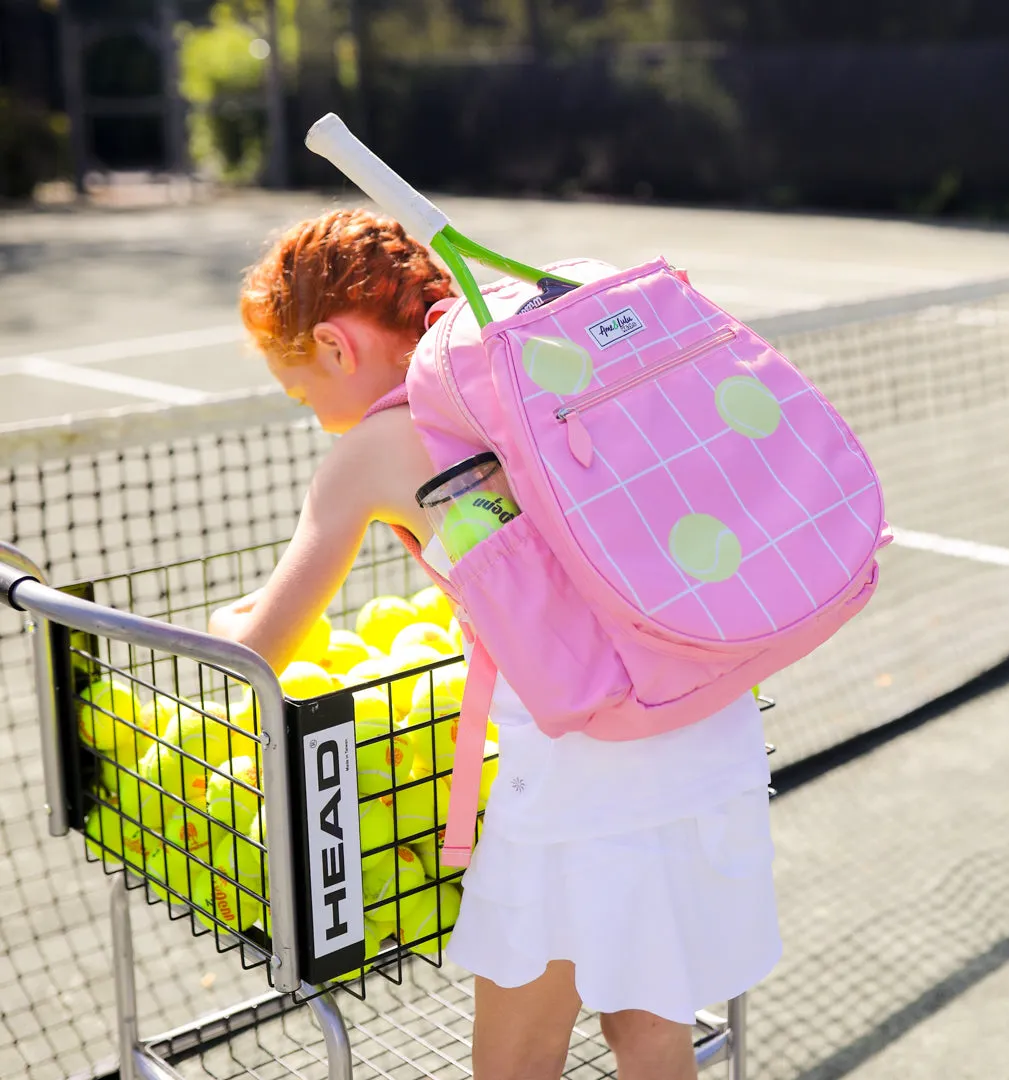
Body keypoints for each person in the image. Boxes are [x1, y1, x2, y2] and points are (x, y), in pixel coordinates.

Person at [210, 207, 781, 1080]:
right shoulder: (528, 370)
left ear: (333, 345)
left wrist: (223, 623)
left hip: (580, 778)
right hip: (707, 719)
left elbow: (261, 649)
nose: (319, 419)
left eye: (302, 393)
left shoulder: (370, 451)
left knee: (515, 1063)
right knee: (651, 1035)